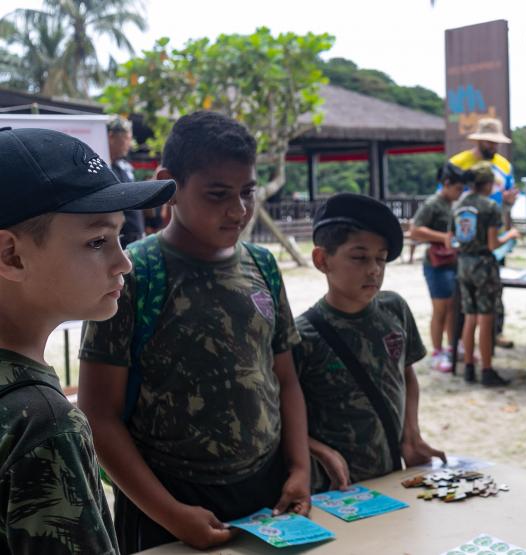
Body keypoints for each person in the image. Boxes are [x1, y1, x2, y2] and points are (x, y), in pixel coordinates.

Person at [78, 112, 312, 553]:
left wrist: (299, 468)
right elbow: (98, 414)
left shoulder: (263, 266)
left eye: (247, 193)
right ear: (169, 183)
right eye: (218, 194)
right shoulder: (132, 275)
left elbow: (284, 378)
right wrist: (169, 513)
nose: (239, 210)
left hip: (268, 491)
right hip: (165, 499)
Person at [0, 127, 175, 553]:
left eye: (120, 237)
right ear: (12, 255)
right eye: (97, 241)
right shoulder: (42, 423)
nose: (124, 263)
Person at [293, 193, 446, 492]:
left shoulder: (395, 309)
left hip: (391, 476)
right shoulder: (301, 335)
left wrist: (411, 435)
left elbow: (406, 375)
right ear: (322, 260)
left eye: (381, 258)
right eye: (360, 257)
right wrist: (317, 450)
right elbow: (282, 417)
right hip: (334, 488)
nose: (374, 269)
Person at [450, 117, 517, 349]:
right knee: (464, 296)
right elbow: (447, 195)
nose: (494, 146)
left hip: (494, 234)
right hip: (468, 239)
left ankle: (494, 333)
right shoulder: (458, 163)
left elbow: (508, 199)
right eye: (489, 142)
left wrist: (508, 204)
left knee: (494, 290)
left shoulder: (505, 165)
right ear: (479, 140)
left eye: (496, 142)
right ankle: (460, 340)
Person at [453, 165, 521, 387]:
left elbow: (450, 239)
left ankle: (469, 368)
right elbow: (493, 244)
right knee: (486, 317)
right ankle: (487, 369)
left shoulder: (459, 205)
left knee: (469, 316)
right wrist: (510, 234)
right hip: (484, 265)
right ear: (489, 184)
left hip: (463, 263)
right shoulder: (490, 206)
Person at [410, 163, 468, 372]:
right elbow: (415, 230)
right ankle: (437, 351)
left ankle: (452, 348)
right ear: (446, 184)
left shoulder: (453, 203)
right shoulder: (433, 203)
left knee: (454, 308)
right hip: (436, 264)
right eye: (458, 188)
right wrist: (442, 237)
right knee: (440, 310)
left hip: (452, 262)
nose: (460, 193)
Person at [108, 117, 146, 247]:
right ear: (111, 137)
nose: (129, 144)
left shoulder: (125, 167)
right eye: (126, 138)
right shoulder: (102, 167)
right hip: (119, 241)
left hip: (136, 238)